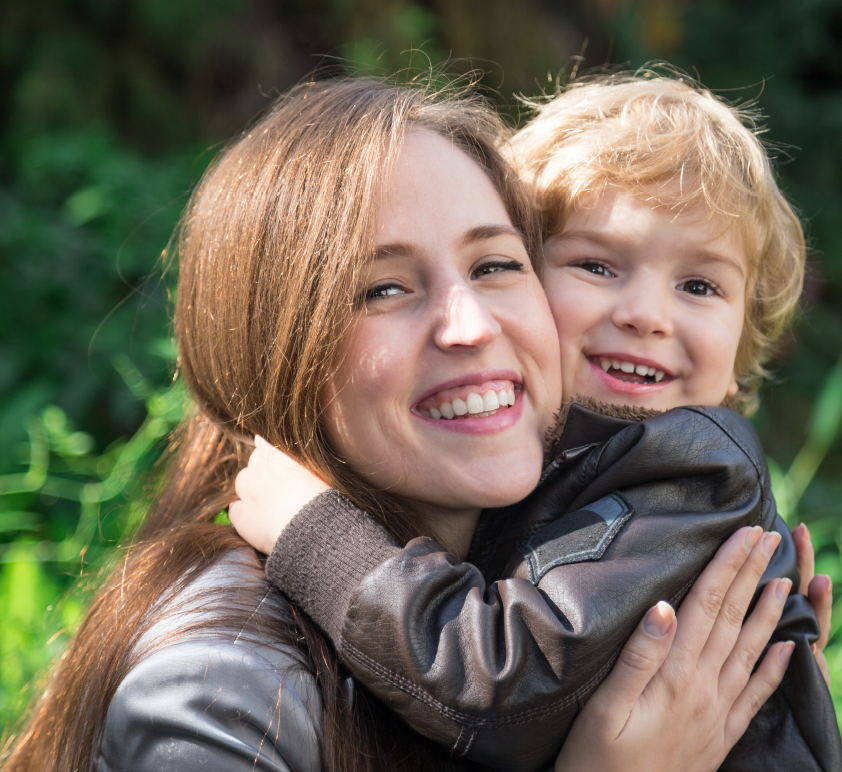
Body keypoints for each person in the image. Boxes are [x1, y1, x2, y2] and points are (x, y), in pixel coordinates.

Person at [3, 76, 794, 772]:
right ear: (277, 348)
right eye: (382, 289)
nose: (470, 325)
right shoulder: (223, 687)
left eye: (492, 266)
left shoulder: (669, 484)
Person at [230, 74, 840, 772]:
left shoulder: (694, 474)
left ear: (741, 351)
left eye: (699, 286)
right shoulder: (547, 468)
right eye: (597, 265)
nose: (647, 313)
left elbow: (497, 685)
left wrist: (318, 535)